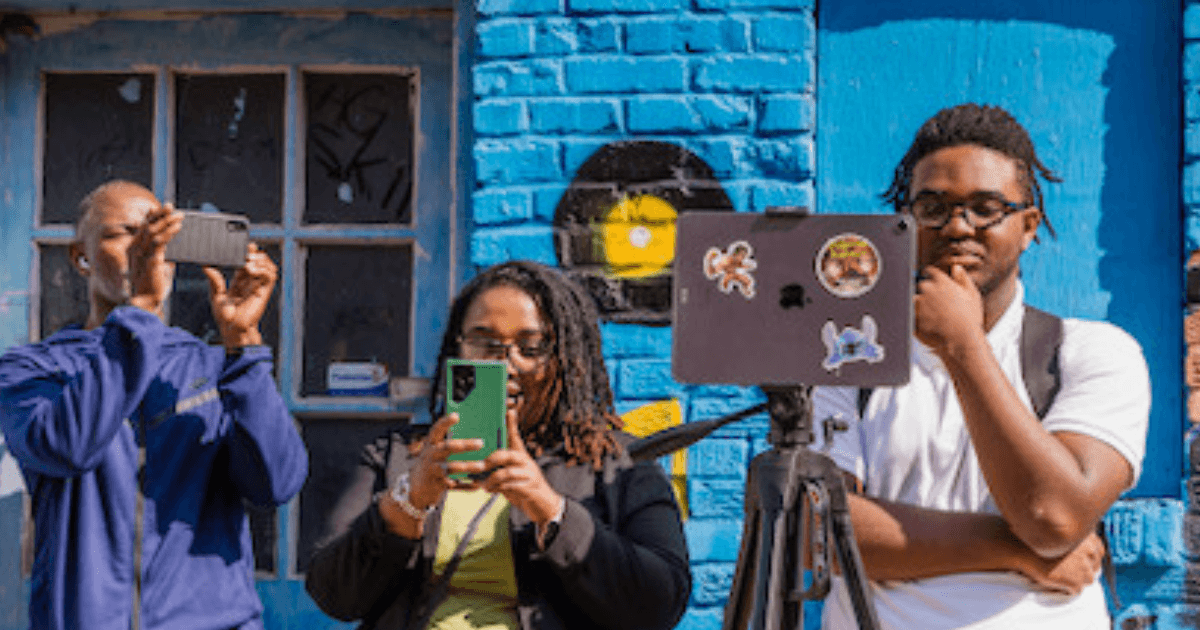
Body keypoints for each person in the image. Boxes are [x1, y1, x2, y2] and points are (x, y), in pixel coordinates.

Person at [810, 104, 1150, 629]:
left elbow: (1054, 517)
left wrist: (963, 346)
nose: (957, 226)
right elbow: (820, 534)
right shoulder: (847, 360)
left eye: (986, 207)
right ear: (905, 222)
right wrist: (1015, 551)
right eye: (932, 207)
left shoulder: (1090, 352)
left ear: (1028, 226)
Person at [305, 260, 690, 630]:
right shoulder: (399, 457)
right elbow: (334, 595)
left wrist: (550, 510)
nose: (506, 364)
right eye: (483, 342)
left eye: (531, 347)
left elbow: (660, 605)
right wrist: (407, 502)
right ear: (458, 348)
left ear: (565, 358)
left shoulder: (616, 463)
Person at [0, 180, 309, 630]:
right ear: (81, 257)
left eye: (156, 234)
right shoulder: (33, 370)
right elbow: (68, 447)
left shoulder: (212, 366)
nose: (144, 249)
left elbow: (275, 484)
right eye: (124, 234)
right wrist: (141, 311)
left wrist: (244, 346)